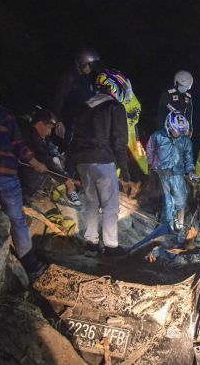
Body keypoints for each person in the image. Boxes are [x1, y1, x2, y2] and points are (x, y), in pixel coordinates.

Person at [0, 81, 48, 279]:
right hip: (4, 174)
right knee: (17, 219)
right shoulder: (5, 114)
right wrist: (36, 163)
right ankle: (30, 264)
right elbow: (18, 146)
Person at [71, 69, 131, 257]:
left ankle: (91, 243)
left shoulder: (82, 107)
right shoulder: (114, 107)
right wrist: (126, 173)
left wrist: (72, 168)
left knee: (90, 202)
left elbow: (73, 138)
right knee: (110, 206)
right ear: (114, 87)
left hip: (82, 161)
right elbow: (119, 141)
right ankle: (111, 247)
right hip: (103, 161)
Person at [19, 108, 81, 207]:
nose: (49, 132)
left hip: (22, 175)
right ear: (40, 124)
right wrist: (66, 180)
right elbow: (46, 161)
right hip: (22, 175)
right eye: (49, 128)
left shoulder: (37, 137)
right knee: (40, 173)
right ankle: (23, 200)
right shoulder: (31, 138)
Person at [147, 112, 197, 231]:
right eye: (176, 130)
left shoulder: (185, 141)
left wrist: (190, 171)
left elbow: (188, 158)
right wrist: (151, 166)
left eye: (181, 131)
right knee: (167, 204)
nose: (178, 133)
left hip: (178, 175)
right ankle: (166, 230)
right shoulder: (157, 136)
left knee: (181, 202)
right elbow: (150, 150)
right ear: (169, 125)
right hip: (161, 175)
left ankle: (179, 226)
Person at [52, 48, 102, 147]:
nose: (91, 69)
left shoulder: (86, 78)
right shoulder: (69, 77)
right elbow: (58, 100)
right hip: (69, 119)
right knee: (69, 146)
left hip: (82, 121)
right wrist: (59, 121)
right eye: (90, 65)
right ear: (82, 62)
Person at [156, 70, 194, 135]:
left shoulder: (188, 97)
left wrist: (190, 129)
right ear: (176, 82)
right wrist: (162, 130)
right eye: (181, 85)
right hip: (168, 129)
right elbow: (161, 113)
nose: (183, 88)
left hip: (183, 129)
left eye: (186, 87)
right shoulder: (168, 94)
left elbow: (189, 114)